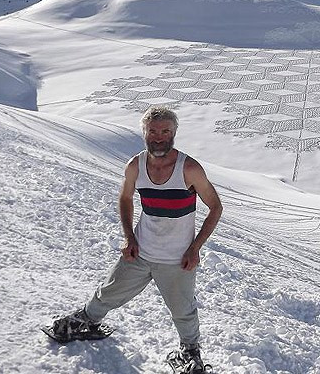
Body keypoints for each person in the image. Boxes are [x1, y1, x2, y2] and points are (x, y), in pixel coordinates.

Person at [50, 106, 223, 372]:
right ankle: (87, 321)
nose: (158, 137)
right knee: (109, 291)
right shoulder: (136, 165)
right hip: (141, 251)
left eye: (165, 131)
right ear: (144, 132)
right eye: (153, 131)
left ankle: (190, 352)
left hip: (176, 259)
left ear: (174, 133)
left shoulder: (188, 168)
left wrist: (195, 248)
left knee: (183, 310)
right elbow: (125, 198)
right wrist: (130, 238)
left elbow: (215, 206)